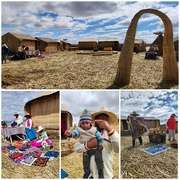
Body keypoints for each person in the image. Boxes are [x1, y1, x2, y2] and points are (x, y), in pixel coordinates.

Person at [74, 107, 119, 179]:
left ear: (107, 121)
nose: (102, 121)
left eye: (104, 119)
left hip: (106, 176)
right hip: (90, 176)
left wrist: (109, 130)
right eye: (99, 118)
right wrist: (88, 145)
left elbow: (118, 149)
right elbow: (76, 148)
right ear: (96, 120)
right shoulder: (87, 132)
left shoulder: (111, 134)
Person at [64, 109, 104, 179]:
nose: (85, 125)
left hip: (96, 148)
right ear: (80, 124)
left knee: (99, 159)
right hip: (86, 150)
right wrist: (70, 134)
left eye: (87, 123)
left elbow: (100, 138)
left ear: (90, 123)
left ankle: (101, 172)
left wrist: (100, 144)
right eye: (83, 123)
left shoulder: (94, 130)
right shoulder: (79, 130)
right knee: (85, 161)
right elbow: (75, 133)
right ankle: (86, 172)